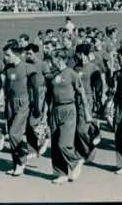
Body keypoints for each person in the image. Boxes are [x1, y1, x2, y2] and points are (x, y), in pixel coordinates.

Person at [48, 48, 87, 184]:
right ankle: (61, 173)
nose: (50, 61)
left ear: (60, 59)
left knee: (63, 143)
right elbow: (49, 96)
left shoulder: (71, 73)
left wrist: (86, 113)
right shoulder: (52, 75)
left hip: (69, 109)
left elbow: (81, 92)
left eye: (52, 59)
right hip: (55, 110)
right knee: (55, 143)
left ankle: (76, 160)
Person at [2, 43, 37, 176]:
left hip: (23, 103)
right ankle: (16, 163)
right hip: (10, 103)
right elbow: (4, 89)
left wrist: (37, 107)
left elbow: (35, 89)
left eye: (8, 55)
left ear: (16, 55)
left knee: (13, 133)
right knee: (12, 135)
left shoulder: (28, 68)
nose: (5, 58)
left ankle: (22, 160)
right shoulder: (8, 69)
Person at [73, 44, 101, 162]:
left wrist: (98, 100)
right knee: (76, 128)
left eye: (77, 54)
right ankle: (82, 152)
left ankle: (90, 146)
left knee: (82, 129)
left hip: (88, 99)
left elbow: (98, 85)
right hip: (75, 99)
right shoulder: (75, 68)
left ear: (81, 54)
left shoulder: (93, 67)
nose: (75, 56)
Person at [24, 43, 51, 159]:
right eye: (27, 53)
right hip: (28, 94)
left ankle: (45, 139)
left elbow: (49, 80)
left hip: (40, 95)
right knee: (27, 123)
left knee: (36, 121)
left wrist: (47, 97)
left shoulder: (43, 64)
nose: (28, 55)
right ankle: (32, 150)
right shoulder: (25, 65)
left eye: (30, 53)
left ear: (36, 53)